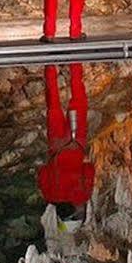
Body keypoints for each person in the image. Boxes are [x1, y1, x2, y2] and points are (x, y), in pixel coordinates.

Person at [37, 62, 94, 223]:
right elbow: (42, 172)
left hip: (76, 143)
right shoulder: (50, 196)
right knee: (53, 104)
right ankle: (50, 66)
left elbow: (89, 169)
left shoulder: (83, 195)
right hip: (57, 145)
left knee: (78, 99)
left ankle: (75, 63)